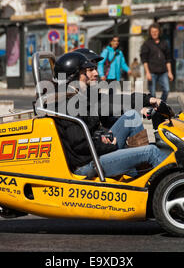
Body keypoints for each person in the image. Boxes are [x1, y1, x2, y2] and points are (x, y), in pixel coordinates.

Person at [50, 51, 170, 180]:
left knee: (132, 116)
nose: (96, 73)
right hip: (87, 163)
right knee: (151, 151)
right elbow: (80, 144)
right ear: (74, 76)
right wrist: (107, 145)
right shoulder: (68, 103)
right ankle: (164, 185)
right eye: (89, 70)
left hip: (94, 150)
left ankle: (142, 176)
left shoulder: (80, 95)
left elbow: (115, 101)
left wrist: (147, 100)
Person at [140, 23, 174, 101]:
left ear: (159, 32)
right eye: (152, 32)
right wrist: (147, 72)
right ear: (150, 32)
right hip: (152, 72)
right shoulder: (146, 44)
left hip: (163, 72)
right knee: (152, 93)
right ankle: (155, 108)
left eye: (156, 31)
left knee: (167, 90)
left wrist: (170, 72)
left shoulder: (164, 43)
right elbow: (144, 60)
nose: (154, 33)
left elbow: (168, 59)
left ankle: (161, 104)